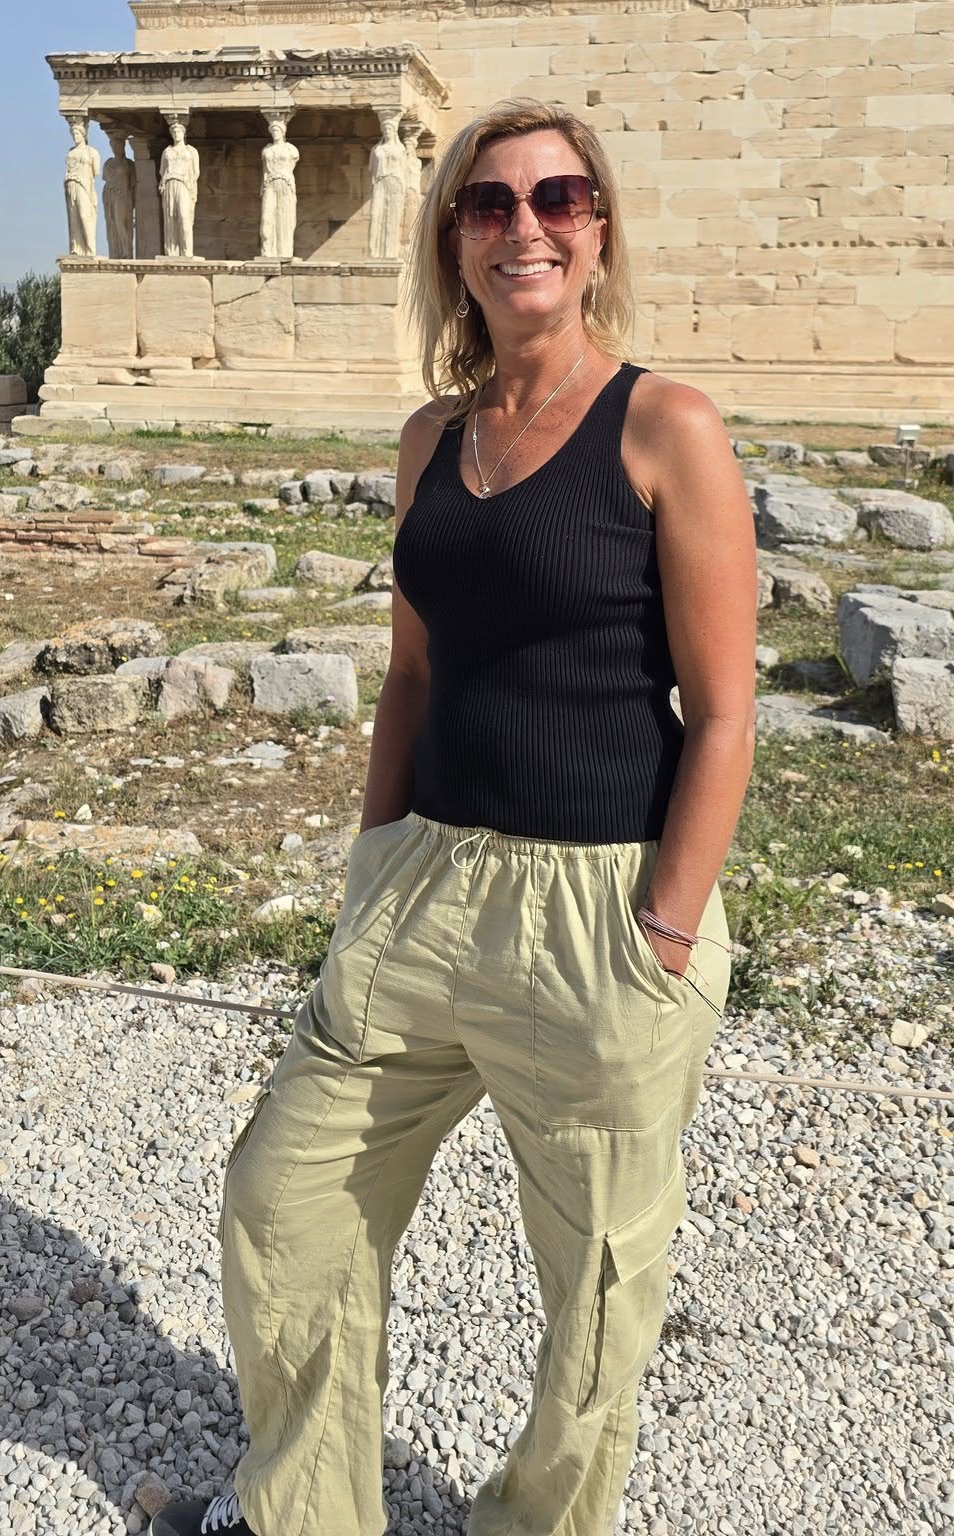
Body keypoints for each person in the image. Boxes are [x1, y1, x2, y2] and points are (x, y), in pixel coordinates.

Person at [153, 98, 757, 1536]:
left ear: (598, 233)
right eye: (488, 206)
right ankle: (308, 1513)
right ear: (452, 244)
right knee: (283, 1209)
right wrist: (373, 864)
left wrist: (663, 930)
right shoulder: (430, 439)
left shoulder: (665, 424)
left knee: (598, 1297)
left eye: (556, 199)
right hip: (424, 886)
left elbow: (727, 710)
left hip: (601, 911)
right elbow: (413, 675)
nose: (524, 227)